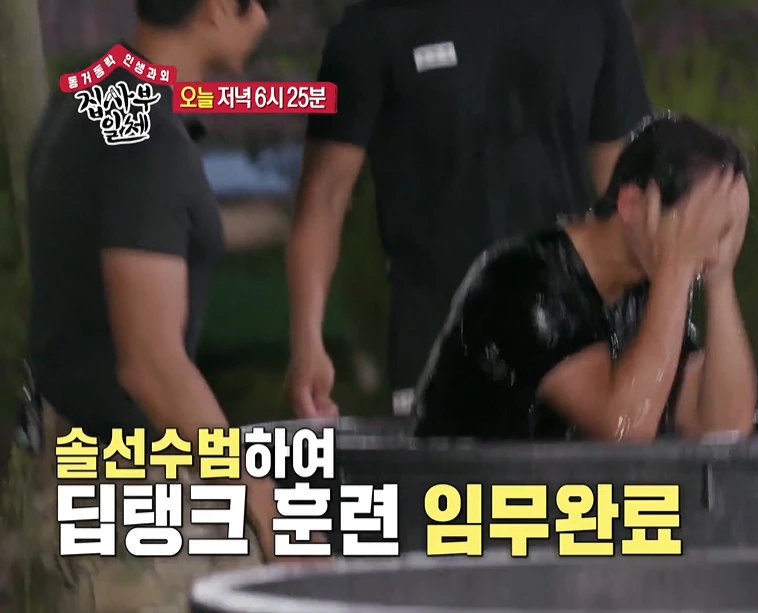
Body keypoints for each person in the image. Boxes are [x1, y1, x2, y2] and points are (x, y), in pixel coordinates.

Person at [7, 1, 291, 611]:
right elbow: (152, 366)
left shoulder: (89, 99)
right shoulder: (148, 143)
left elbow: (119, 234)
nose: (267, 21)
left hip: (61, 473)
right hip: (126, 507)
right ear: (218, 8)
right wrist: (268, 509)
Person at [287, 0, 653, 419]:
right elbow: (322, 200)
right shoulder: (377, 23)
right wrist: (306, 343)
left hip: (571, 345)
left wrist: (649, 334)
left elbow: (630, 198)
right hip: (434, 343)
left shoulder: (593, 14)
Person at [413, 115, 758, 441]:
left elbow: (725, 429)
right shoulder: (525, 280)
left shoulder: (648, 294)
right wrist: (676, 266)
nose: (707, 252)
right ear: (632, 205)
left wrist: (720, 279)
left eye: (719, 231)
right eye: (697, 228)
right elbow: (625, 427)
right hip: (458, 483)